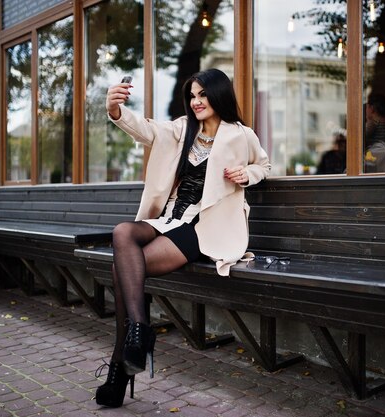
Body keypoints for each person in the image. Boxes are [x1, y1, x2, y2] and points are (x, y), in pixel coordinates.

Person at [95, 68, 271, 408]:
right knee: (122, 233)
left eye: (202, 94)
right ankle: (139, 333)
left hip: (205, 227)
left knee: (124, 270)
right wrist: (114, 110)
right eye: (192, 96)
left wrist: (245, 174)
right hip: (170, 219)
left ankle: (120, 370)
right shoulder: (180, 129)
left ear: (218, 95)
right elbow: (144, 128)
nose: (196, 101)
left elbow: (264, 165)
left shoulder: (240, 134)